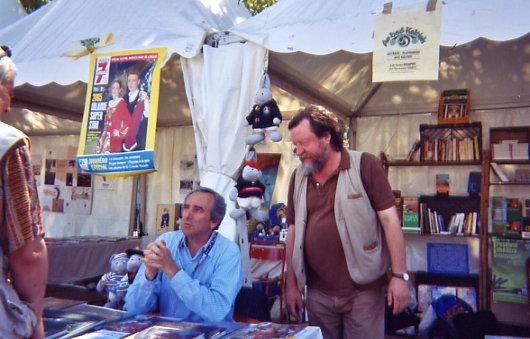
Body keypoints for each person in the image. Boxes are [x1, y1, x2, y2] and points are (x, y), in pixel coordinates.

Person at [285, 105, 409, 339]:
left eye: (304, 143)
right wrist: (290, 284)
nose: (298, 151)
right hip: (317, 294)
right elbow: (292, 230)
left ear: (326, 137)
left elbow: (390, 221)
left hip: (363, 293)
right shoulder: (298, 177)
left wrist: (399, 276)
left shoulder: (365, 165)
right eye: (295, 146)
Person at [124, 187, 242, 322]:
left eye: (198, 210)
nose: (187, 215)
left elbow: (216, 311)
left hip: (211, 334)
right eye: (185, 208)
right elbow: (133, 309)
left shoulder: (228, 252)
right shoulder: (166, 241)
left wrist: (172, 270)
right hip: (168, 333)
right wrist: (149, 275)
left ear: (214, 221)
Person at [0, 45, 48, 338]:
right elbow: (27, 250)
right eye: (9, 91)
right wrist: (35, 316)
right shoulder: (7, 144)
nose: (7, 107)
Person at [97, 80, 130, 153]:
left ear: (120, 90)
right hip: (105, 135)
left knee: (111, 157)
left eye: (117, 88)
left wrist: (120, 133)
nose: (114, 90)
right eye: (113, 88)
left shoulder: (121, 102)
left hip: (114, 137)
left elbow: (128, 121)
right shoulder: (109, 103)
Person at [122, 70, 149, 152]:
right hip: (124, 141)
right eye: (129, 81)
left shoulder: (143, 96)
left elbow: (148, 115)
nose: (130, 83)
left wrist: (145, 101)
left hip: (139, 141)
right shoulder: (124, 99)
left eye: (133, 81)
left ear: (138, 82)